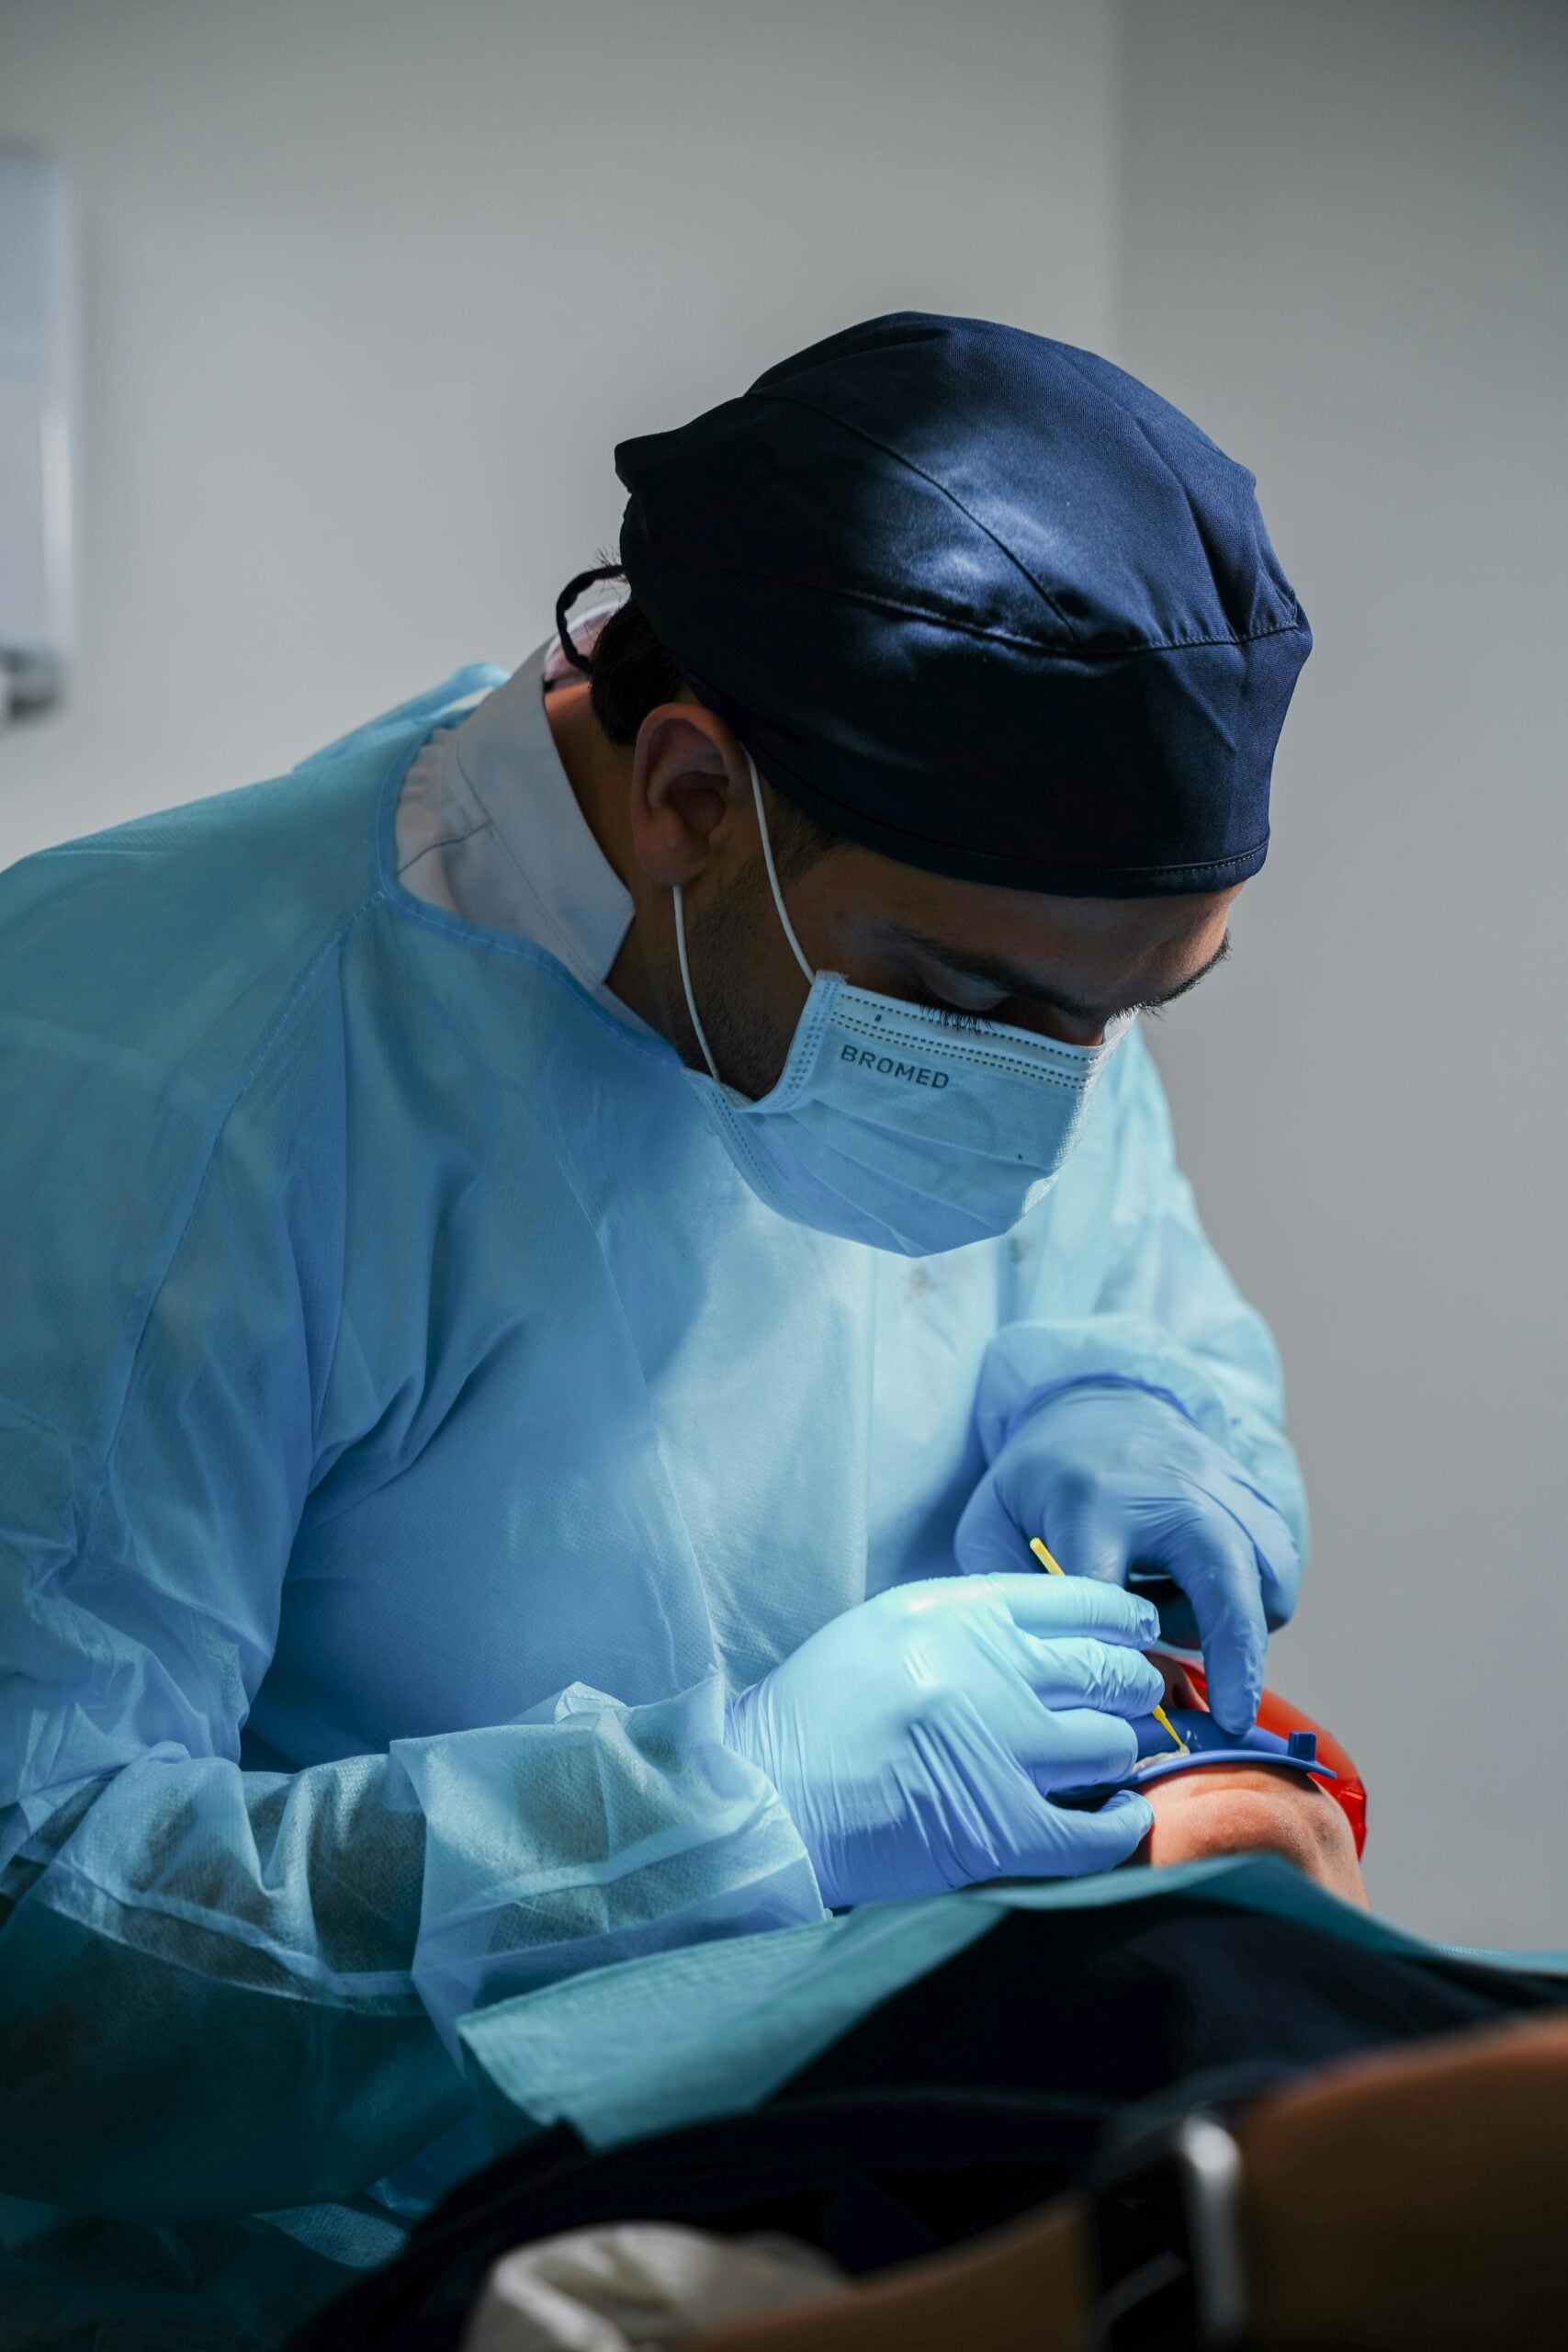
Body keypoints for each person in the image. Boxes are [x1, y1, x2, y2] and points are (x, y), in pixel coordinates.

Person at [0, 312, 1314, 2309]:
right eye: (978, 1005)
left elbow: (1126, 1282)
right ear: (692, 794)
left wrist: (1132, 1410)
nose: (1053, 1095)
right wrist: (726, 1810)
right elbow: (41, 1950)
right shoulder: (164, 1068)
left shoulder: (1000, 931)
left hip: (848, 2196)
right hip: (322, 2279)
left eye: (1134, 1011)